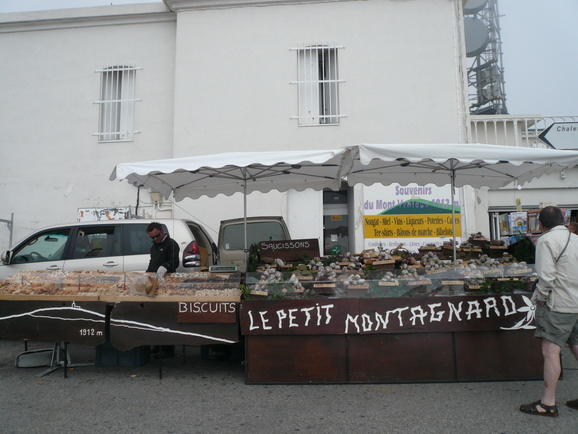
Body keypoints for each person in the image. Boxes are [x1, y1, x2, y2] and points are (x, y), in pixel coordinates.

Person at [520, 206, 578, 417]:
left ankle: (547, 403)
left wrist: (541, 300)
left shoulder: (546, 240)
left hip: (559, 304)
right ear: (563, 220)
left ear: (541, 224)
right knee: (577, 346)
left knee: (551, 352)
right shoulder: (576, 239)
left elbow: (546, 277)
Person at [146, 222, 179, 358]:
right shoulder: (154, 246)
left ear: (162, 231)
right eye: (152, 238)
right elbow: (152, 263)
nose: (155, 239)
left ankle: (167, 349)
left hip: (166, 284)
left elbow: (175, 262)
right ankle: (157, 344)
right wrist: (146, 275)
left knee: (165, 316)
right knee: (154, 316)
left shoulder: (171, 244)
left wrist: (165, 266)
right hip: (153, 282)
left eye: (157, 236)